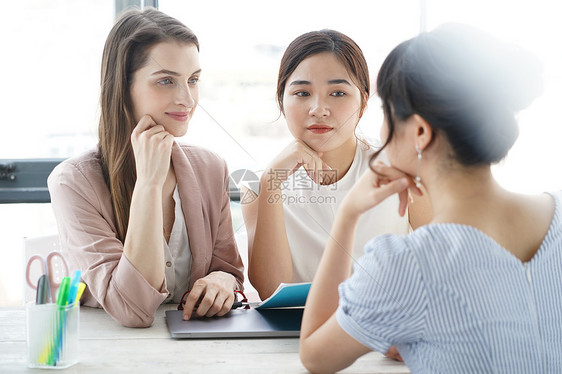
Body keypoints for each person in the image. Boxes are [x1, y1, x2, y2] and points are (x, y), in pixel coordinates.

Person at [299, 23, 561, 373]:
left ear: (420, 132)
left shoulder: (405, 265)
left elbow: (316, 356)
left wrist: (348, 214)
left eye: (386, 114)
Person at [48, 8, 244, 328]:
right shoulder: (73, 183)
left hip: (198, 348)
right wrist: (149, 184)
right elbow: (133, 309)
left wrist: (222, 282)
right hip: (112, 351)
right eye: (166, 81)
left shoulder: (210, 167)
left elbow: (230, 271)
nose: (187, 99)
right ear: (122, 87)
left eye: (193, 80)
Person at [241, 30, 431, 301]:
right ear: (281, 100)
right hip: (297, 336)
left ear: (363, 103)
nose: (318, 109)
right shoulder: (260, 186)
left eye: (338, 92)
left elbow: (446, 262)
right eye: (302, 92)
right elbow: (272, 291)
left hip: (388, 331)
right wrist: (272, 179)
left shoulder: (400, 166)